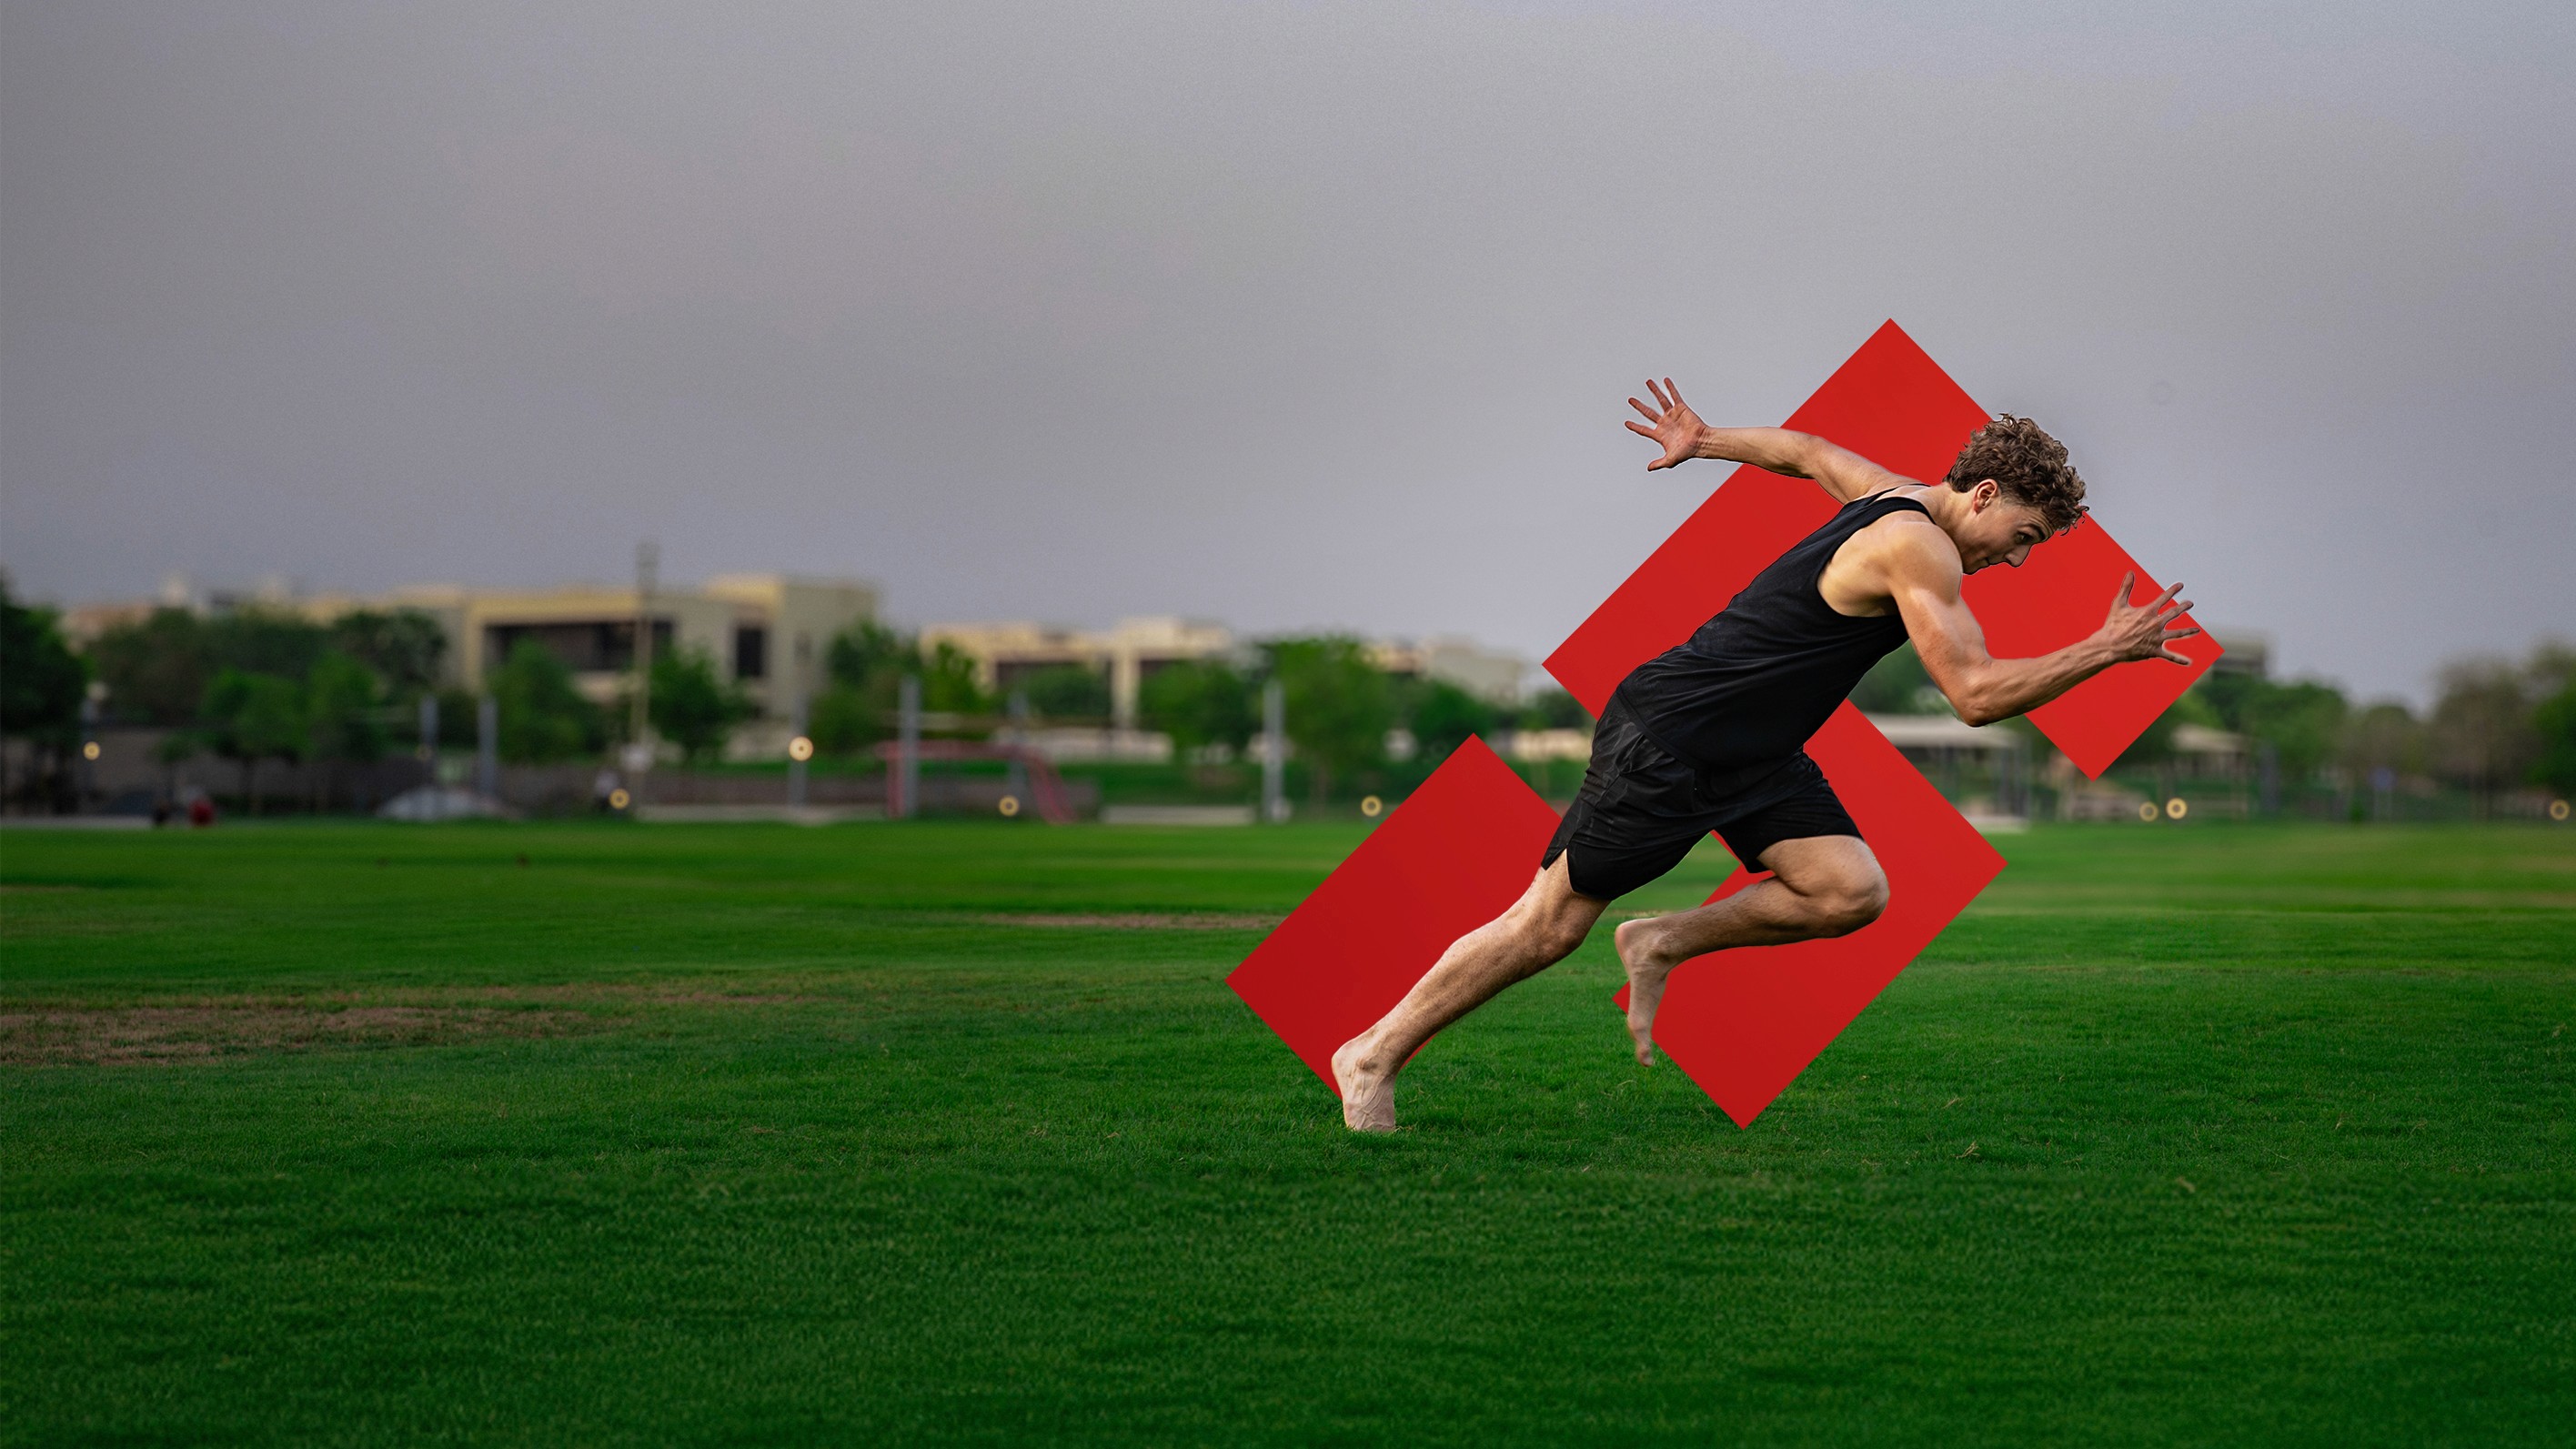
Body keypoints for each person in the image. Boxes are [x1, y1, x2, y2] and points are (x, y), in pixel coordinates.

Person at [1330, 378, 2197, 1132]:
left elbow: (1808, 451)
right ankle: (1371, 1054)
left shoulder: (1890, 494)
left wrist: (1705, 441)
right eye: (2026, 533)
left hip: (1756, 750)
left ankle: (1661, 939)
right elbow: (1972, 696)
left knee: (1849, 888)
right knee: (1549, 925)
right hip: (1674, 735)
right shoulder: (1918, 545)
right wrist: (2101, 650)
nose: (2017, 557)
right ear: (1986, 492)